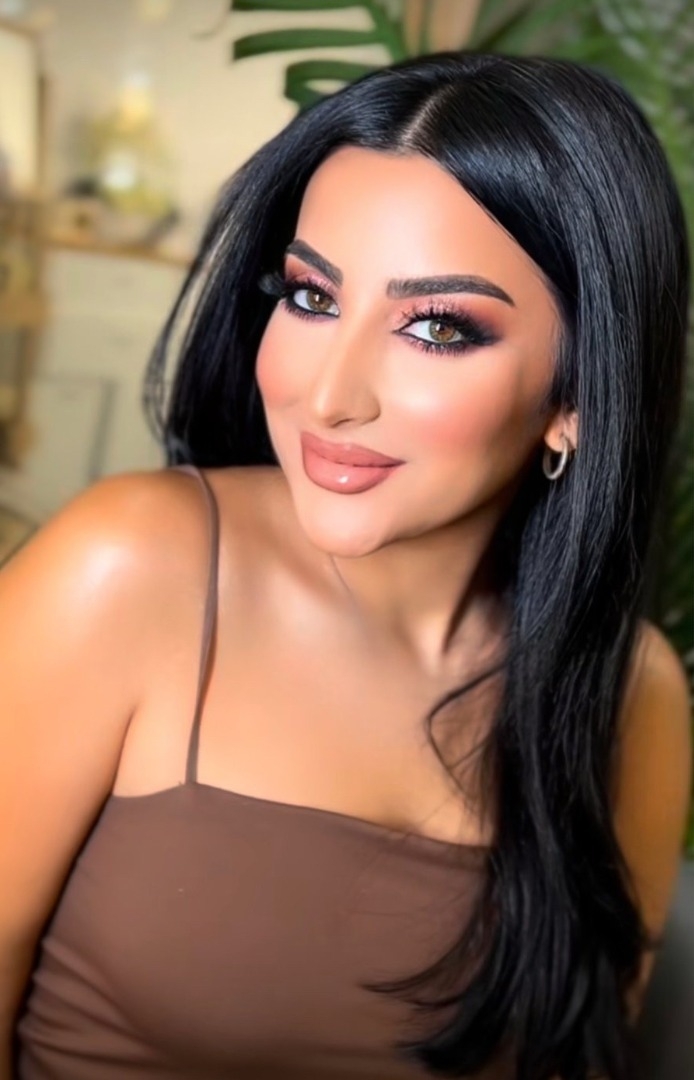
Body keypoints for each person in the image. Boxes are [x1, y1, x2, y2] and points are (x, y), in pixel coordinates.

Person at [1, 50, 691, 1080]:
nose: (329, 396)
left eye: (436, 327)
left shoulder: (631, 697)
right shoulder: (127, 569)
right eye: (312, 297)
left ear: (576, 395)